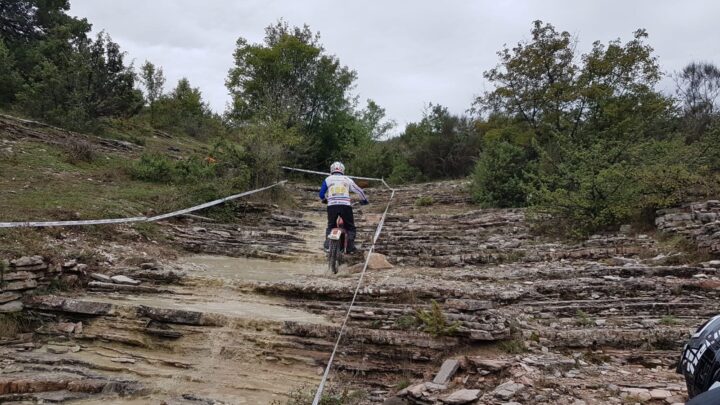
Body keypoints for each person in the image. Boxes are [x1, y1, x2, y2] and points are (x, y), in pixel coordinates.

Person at [319, 161, 368, 253]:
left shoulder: (328, 179)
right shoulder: (347, 179)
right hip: (345, 206)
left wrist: (324, 199)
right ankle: (350, 248)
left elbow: (321, 194)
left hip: (332, 206)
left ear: (331, 170)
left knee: (331, 225)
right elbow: (360, 191)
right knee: (350, 227)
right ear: (342, 170)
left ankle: (327, 245)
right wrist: (364, 200)